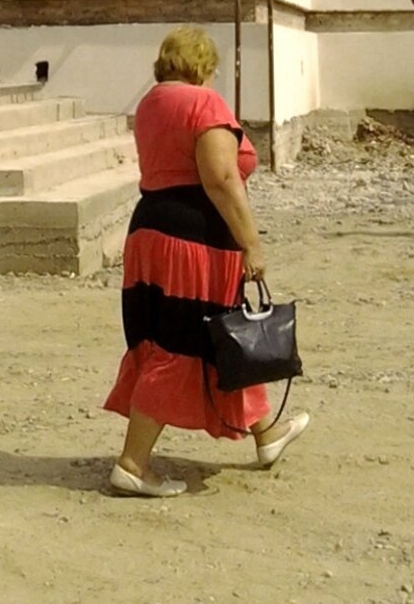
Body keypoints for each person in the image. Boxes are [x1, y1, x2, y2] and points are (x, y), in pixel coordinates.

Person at [103, 26, 309, 497]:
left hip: (151, 228)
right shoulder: (203, 103)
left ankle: (265, 434)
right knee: (179, 342)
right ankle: (133, 464)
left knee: (216, 335)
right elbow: (219, 177)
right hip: (193, 235)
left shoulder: (151, 103)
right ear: (203, 65)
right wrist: (251, 242)